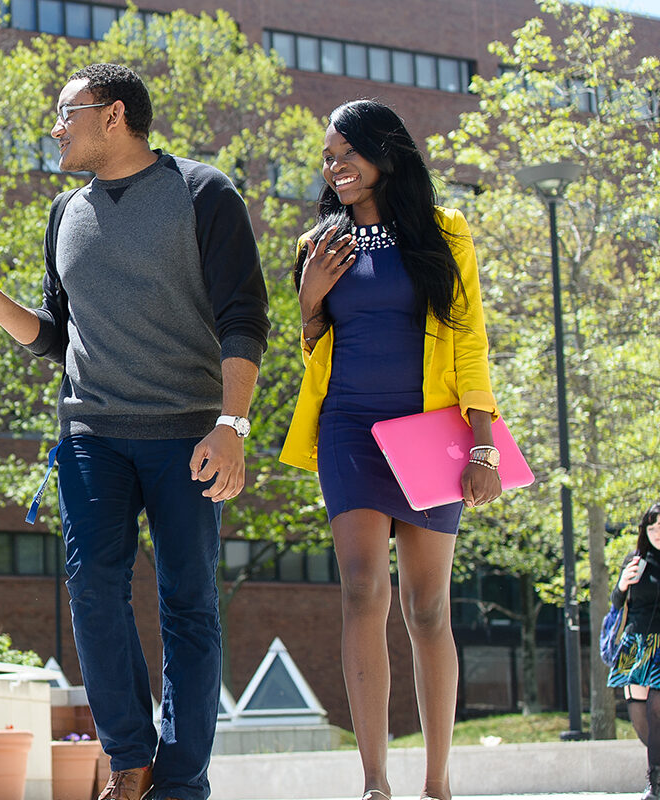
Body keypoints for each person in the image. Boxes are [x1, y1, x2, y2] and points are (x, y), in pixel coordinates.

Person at [0, 64, 269, 800]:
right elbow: (56, 335)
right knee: (92, 589)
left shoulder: (204, 194)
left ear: (113, 116)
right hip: (90, 434)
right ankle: (129, 759)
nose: (54, 128)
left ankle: (182, 781)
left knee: (189, 606)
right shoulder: (63, 213)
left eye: (64, 112)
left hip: (188, 435)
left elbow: (244, 320)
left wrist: (231, 425)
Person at [279, 99, 502, 800]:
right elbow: (315, 350)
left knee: (429, 607)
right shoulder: (319, 244)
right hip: (349, 427)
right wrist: (310, 302)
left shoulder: (443, 232)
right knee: (362, 590)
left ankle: (437, 782)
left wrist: (485, 446)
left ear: (385, 154)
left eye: (347, 154)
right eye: (328, 158)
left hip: (430, 432)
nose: (335, 168)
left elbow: (469, 339)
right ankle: (376, 783)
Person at [609, 502, 660, 800]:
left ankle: (655, 785)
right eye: (651, 529)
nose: (656, 534)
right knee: (640, 718)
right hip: (636, 645)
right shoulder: (636, 560)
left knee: (656, 707)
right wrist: (622, 584)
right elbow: (616, 604)